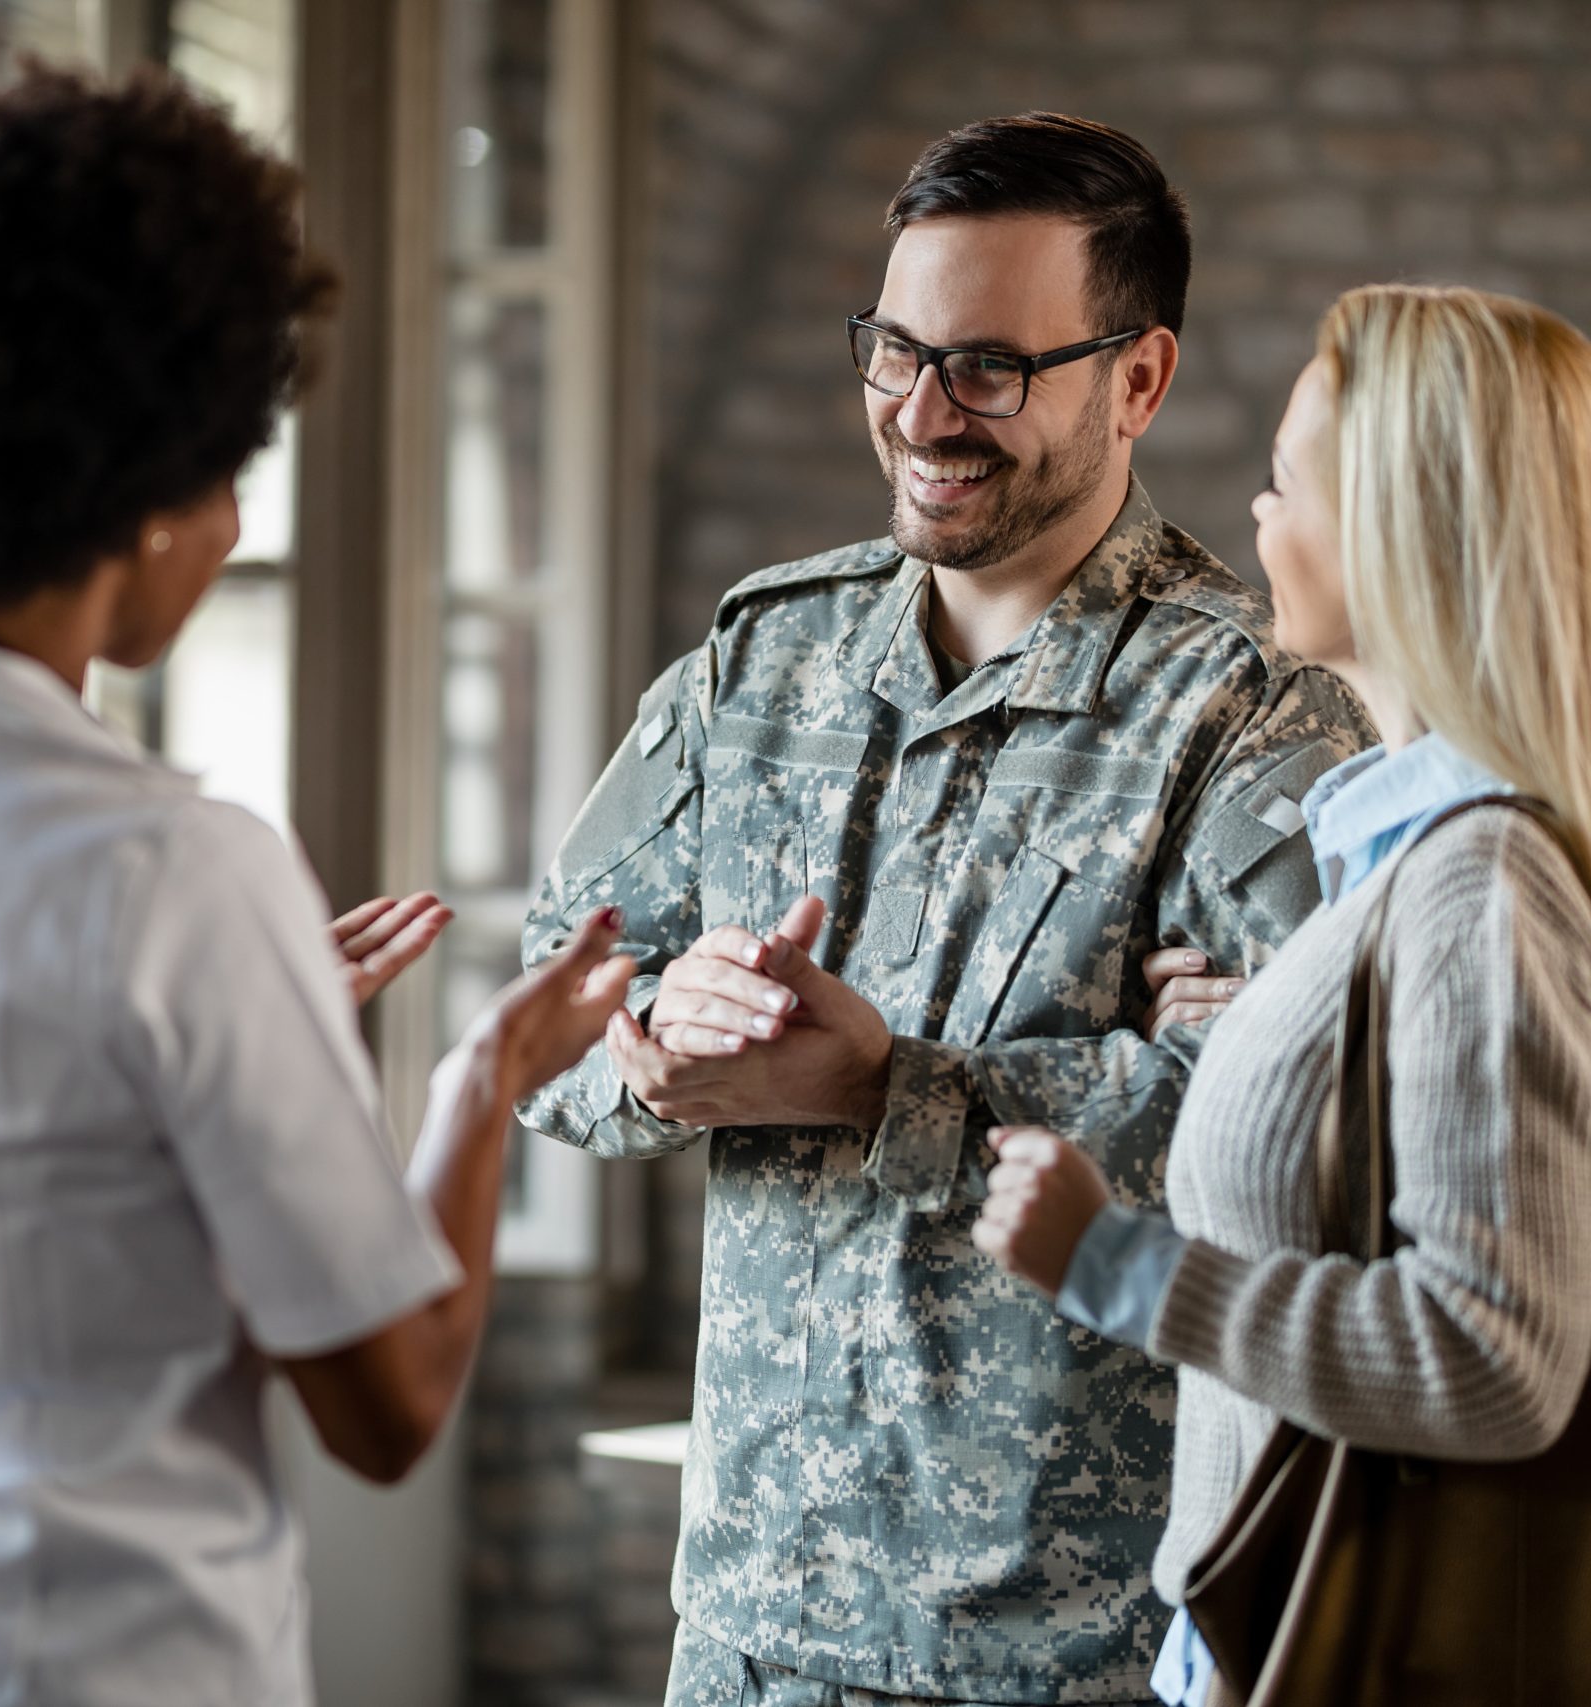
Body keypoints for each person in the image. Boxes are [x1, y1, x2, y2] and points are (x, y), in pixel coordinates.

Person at [0, 68, 633, 1707]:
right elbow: (387, 1408)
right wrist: (482, 1078)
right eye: (233, 466)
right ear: (151, 477)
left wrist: (244, 1024)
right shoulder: (177, 874)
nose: (238, 524)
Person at [519, 114, 1371, 1705]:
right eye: (894, 352)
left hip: (1073, 1652)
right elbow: (550, 999)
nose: (923, 414)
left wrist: (892, 1089)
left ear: (1137, 379)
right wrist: (649, 1048)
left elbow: (1307, 1138)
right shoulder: (759, 660)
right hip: (750, 1626)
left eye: (987, 367)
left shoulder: (1252, 714)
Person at [975, 283, 1591, 1706]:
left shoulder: (1481, 890)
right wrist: (1273, 1042)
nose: (1259, 520)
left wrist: (1115, 1264)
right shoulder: (1427, 876)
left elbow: (1492, 1360)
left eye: (1289, 481)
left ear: (1402, 528)